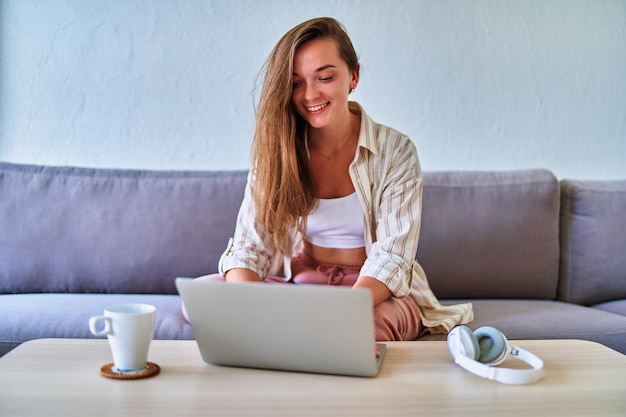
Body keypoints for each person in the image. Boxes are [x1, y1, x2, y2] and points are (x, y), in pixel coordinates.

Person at [187, 17, 473, 341]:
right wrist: (253, 308)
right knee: (202, 299)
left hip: (372, 292)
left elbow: (393, 258)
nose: (310, 95)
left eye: (324, 77)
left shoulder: (396, 152)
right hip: (303, 285)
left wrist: (339, 314)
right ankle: (294, 342)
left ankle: (302, 341)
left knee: (357, 331)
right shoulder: (276, 151)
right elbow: (249, 248)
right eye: (296, 83)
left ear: (353, 77)